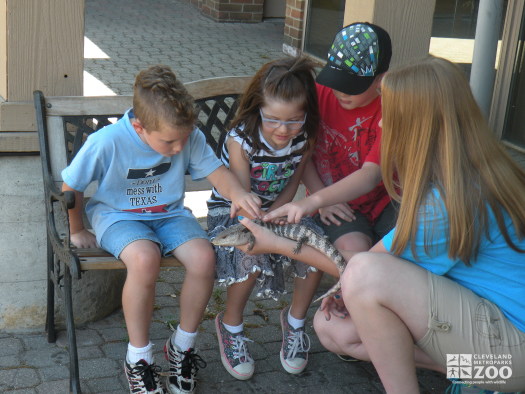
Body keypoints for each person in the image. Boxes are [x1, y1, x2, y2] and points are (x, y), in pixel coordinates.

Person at [236, 56, 525, 393]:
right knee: (334, 330)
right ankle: (461, 370)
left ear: (419, 126)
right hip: (494, 336)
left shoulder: (446, 202)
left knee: (363, 277)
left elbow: (361, 269)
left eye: (391, 115)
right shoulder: (479, 171)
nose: (383, 125)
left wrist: (275, 244)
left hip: (508, 362)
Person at [61, 65, 262, 394]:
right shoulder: (107, 142)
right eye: (169, 142)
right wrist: (76, 229)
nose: (179, 148)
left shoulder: (187, 135)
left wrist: (238, 193)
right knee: (144, 259)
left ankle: (181, 347)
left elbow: (216, 171)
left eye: (184, 138)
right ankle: (138, 358)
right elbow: (72, 186)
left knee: (203, 258)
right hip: (118, 216)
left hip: (169, 215)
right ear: (139, 127)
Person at [207, 56, 323, 380]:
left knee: (314, 243)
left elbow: (293, 182)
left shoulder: (305, 137)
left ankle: (296, 323)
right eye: (273, 120)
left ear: (305, 115)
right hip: (233, 211)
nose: (283, 130)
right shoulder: (241, 138)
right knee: (249, 250)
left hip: (278, 209)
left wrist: (279, 214)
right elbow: (240, 194)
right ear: (258, 108)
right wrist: (262, 226)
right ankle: (230, 325)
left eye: (293, 121)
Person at [266, 22, 396, 262]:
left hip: (387, 201)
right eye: (337, 81)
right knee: (354, 251)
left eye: (352, 86)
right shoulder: (318, 93)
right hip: (332, 202)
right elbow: (301, 152)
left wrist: (313, 200)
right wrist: (320, 197)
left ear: (382, 80)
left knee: (414, 248)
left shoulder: (392, 108)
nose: (341, 92)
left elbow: (371, 175)